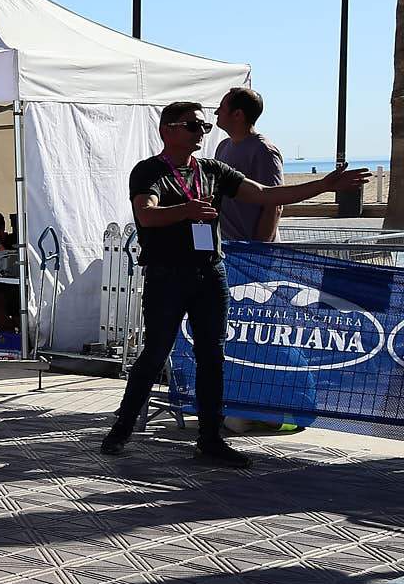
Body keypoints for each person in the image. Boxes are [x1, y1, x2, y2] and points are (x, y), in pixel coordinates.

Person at [101, 101, 369, 465]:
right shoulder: (150, 171)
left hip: (210, 273)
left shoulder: (212, 170)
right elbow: (146, 215)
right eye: (193, 126)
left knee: (212, 356)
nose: (201, 132)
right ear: (168, 130)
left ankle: (210, 439)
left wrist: (323, 185)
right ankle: (122, 429)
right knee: (156, 351)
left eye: (204, 127)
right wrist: (186, 210)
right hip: (167, 275)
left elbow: (266, 195)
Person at [213, 87, 285, 242]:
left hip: (251, 249)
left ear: (237, 114)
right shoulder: (223, 147)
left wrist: (259, 248)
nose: (216, 112)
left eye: (221, 108)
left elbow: (274, 204)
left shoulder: (263, 150)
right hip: (228, 247)